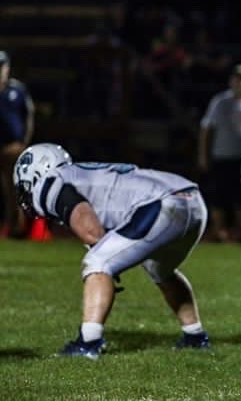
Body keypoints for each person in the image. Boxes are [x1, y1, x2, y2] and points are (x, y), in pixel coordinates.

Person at [12, 144, 210, 359]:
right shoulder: (79, 173)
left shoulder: (49, 183)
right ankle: (195, 337)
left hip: (162, 204)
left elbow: (90, 230)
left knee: (97, 263)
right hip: (193, 201)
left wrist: (105, 264)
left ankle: (88, 343)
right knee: (159, 268)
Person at [198, 64, 241, 242]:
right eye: (236, 78)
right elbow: (207, 129)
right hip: (222, 155)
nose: (239, 82)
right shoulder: (220, 101)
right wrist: (203, 155)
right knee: (219, 197)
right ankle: (219, 231)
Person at [0, 50, 34, 237]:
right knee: (6, 190)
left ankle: (18, 227)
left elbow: (28, 115)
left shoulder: (16, 90)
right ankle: (10, 224)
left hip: (13, 146)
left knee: (15, 189)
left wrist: (24, 141)